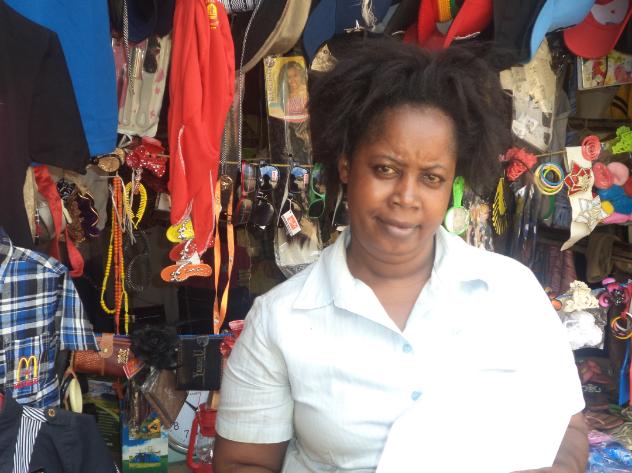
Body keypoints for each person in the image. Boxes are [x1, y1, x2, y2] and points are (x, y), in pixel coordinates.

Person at [213, 39, 588, 473]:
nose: (406, 197)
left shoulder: (513, 292)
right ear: (346, 166)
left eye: (431, 178)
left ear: (451, 184)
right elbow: (243, 462)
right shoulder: (280, 320)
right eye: (386, 169)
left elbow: (568, 433)